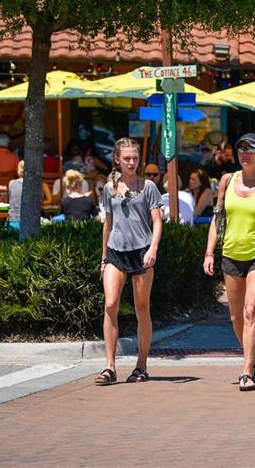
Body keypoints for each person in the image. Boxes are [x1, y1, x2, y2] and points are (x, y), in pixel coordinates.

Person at [203, 133, 255, 391]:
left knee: (251, 310)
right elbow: (218, 219)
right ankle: (253, 358)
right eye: (241, 149)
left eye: (251, 149)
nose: (245, 153)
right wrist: (209, 252)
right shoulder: (227, 181)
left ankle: (246, 371)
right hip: (231, 253)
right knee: (235, 317)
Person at [95, 138, 163, 386]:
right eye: (127, 158)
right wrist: (104, 257)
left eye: (135, 158)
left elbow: (157, 221)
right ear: (117, 160)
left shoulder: (148, 187)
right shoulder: (109, 188)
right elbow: (108, 224)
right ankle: (109, 367)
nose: (132, 162)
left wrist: (153, 248)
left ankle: (141, 365)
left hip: (142, 251)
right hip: (115, 251)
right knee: (111, 304)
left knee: (141, 308)